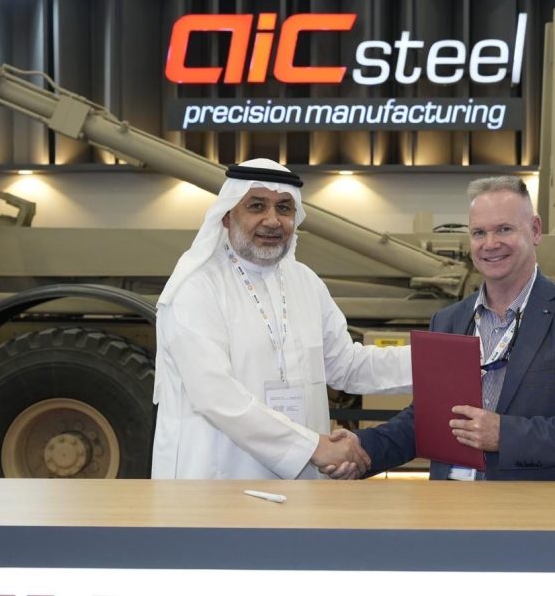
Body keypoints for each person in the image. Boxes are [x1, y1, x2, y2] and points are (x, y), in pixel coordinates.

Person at [344, 175, 555, 481]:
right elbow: (429, 420)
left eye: (504, 229)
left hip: (535, 507)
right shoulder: (448, 321)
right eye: (479, 232)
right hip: (451, 503)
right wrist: (362, 449)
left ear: (535, 230)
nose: (490, 244)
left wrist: (505, 435)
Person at [151, 158, 411, 479]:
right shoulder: (197, 287)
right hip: (218, 478)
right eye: (257, 206)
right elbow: (215, 394)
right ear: (227, 216)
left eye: (284, 208)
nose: (272, 220)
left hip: (301, 479)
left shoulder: (305, 282)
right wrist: (314, 447)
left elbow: (346, 365)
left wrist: (435, 363)